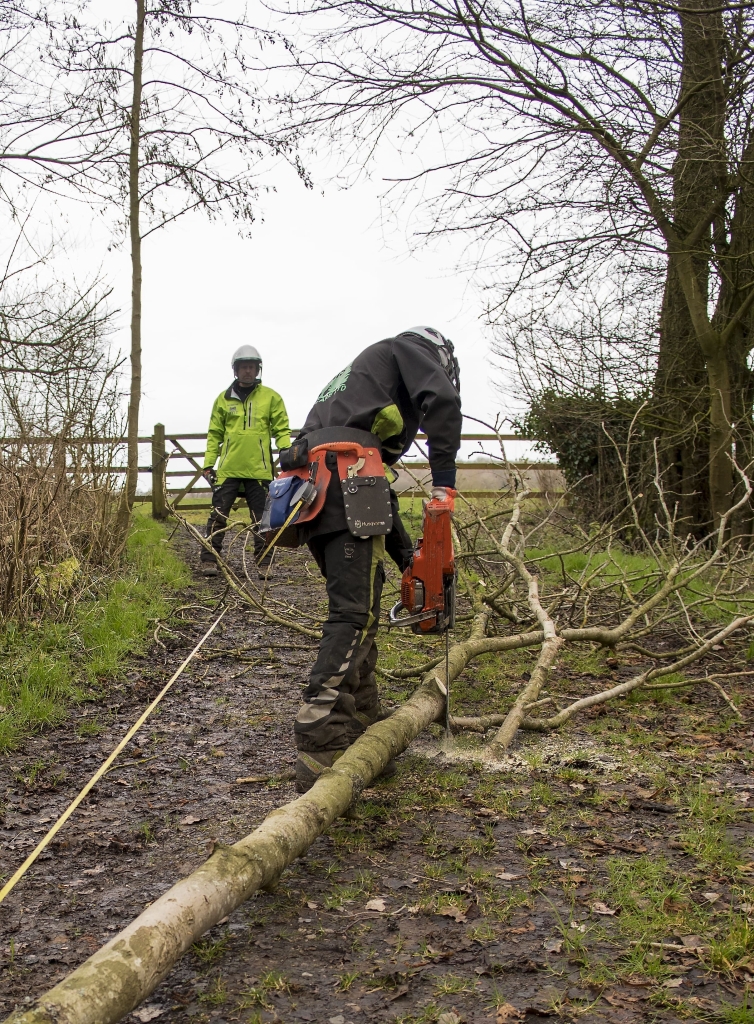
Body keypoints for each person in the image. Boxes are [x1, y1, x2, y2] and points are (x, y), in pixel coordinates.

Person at [284, 326, 462, 792]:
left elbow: (372, 484)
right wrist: (444, 484)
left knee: (364, 602)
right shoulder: (411, 348)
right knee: (354, 613)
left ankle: (361, 716)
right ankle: (320, 731)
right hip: (343, 479)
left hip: (319, 485)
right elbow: (443, 403)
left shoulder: (359, 387)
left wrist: (410, 558)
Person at [201, 344, 291, 576]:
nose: (247, 371)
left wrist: (287, 452)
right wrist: (208, 464)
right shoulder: (222, 399)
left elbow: (281, 429)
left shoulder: (272, 398)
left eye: (251, 367)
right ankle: (209, 560)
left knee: (263, 519)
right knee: (219, 515)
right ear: (236, 370)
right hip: (229, 468)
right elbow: (214, 434)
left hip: (259, 470)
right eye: (243, 367)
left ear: (258, 369)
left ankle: (263, 563)